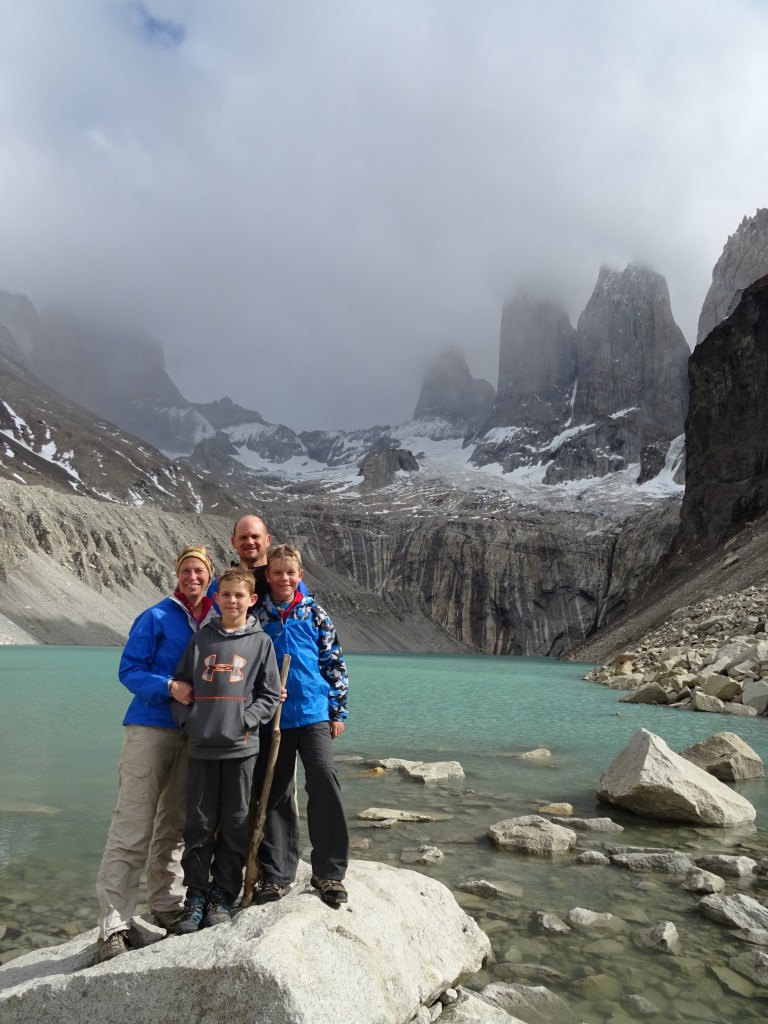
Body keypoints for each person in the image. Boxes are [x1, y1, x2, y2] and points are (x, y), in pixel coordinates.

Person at [95, 545, 216, 962]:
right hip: (150, 726)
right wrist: (169, 687)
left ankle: (166, 905)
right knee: (132, 822)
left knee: (176, 824)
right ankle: (114, 924)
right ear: (176, 574)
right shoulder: (155, 616)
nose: (192, 577)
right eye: (186, 570)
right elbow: (129, 670)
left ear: (210, 575)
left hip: (193, 733)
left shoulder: (217, 617)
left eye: (200, 571)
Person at [171, 566, 281, 932]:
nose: (232, 601)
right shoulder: (201, 639)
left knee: (235, 822)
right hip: (201, 747)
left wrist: (246, 720)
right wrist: (190, 720)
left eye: (239, 596)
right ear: (215, 598)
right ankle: (196, 897)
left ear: (251, 600)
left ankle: (223, 893)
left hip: (241, 750)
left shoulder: (261, 642)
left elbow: (269, 694)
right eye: (225, 595)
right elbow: (182, 685)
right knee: (199, 824)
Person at [251, 544, 350, 908]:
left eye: (290, 573)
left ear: (300, 576)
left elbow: (334, 662)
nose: (284, 578)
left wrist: (338, 712)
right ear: (268, 576)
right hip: (270, 717)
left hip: (313, 713)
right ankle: (276, 875)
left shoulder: (314, 613)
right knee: (274, 791)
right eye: (277, 572)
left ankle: (329, 872)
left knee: (323, 779)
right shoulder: (257, 615)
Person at [209, 512, 308, 607]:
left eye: (255, 536)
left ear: (268, 540)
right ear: (234, 542)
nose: (250, 542)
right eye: (243, 537)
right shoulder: (219, 586)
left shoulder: (290, 583)